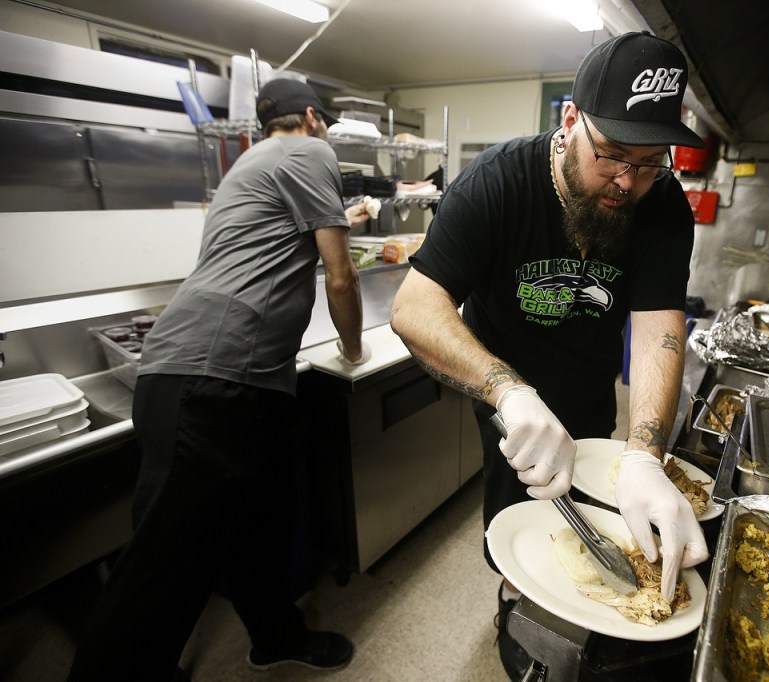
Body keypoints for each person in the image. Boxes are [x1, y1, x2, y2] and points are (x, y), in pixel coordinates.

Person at [389, 31, 711, 679]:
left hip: (591, 393)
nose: (627, 181)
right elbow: (414, 310)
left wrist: (646, 455)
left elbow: (658, 328)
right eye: (613, 155)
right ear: (570, 121)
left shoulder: (663, 205)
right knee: (518, 520)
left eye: (651, 161)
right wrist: (508, 392)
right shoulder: (496, 183)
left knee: (601, 517)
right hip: (509, 395)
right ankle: (516, 610)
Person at [68, 78, 373, 681]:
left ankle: (275, 636)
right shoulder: (311, 151)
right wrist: (353, 349)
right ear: (313, 118)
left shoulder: (248, 166)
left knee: (257, 523)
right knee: (163, 565)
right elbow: (341, 276)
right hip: (211, 376)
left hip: (234, 376)